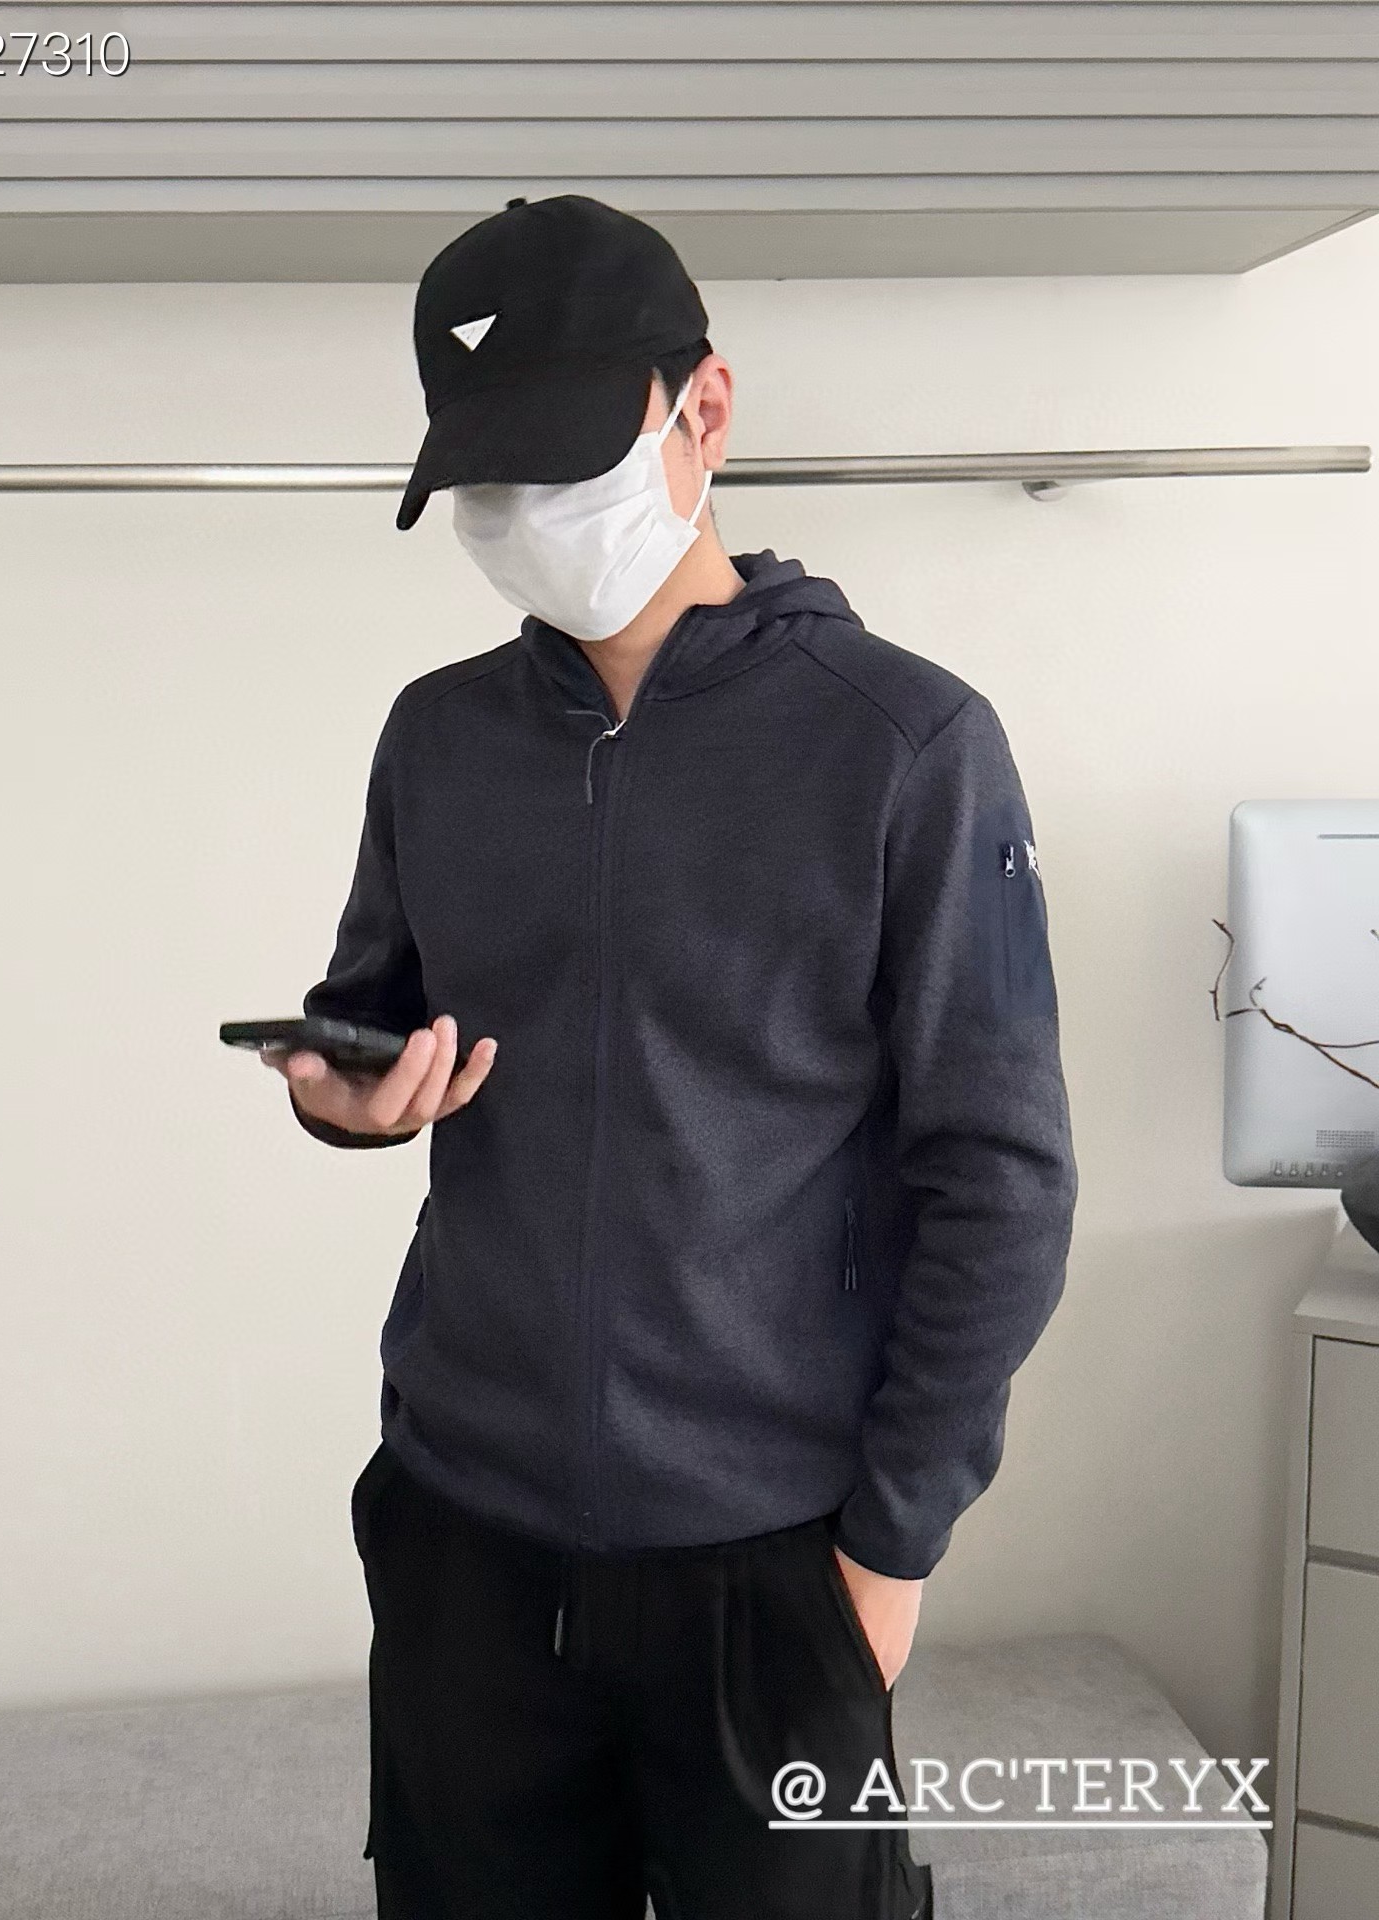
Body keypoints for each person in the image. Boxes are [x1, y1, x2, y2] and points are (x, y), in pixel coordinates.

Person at [260, 193, 1079, 1920]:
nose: (522, 514)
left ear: (703, 407)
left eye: (560, 458)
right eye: (486, 476)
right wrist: (348, 1105)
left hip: (770, 1566)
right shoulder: (437, 738)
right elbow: (373, 1010)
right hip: (465, 1537)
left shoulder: (914, 746)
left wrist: (889, 1549)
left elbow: (1004, 1179)